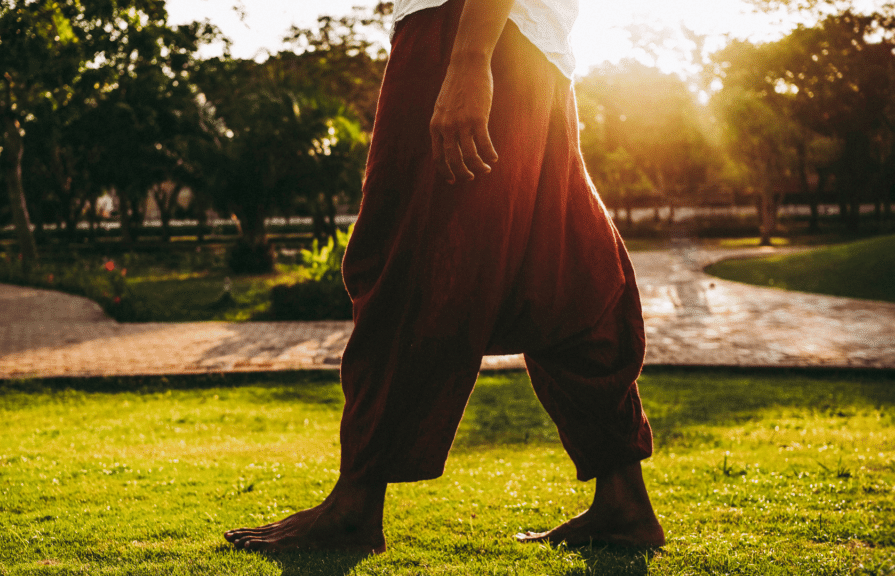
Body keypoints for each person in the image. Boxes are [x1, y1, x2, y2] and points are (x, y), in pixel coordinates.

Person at [225, 0, 664, 553]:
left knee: (409, 258)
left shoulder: (465, 50)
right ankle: (623, 499)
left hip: (465, 30)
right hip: (538, 56)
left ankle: (356, 504)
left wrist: (468, 60)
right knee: (569, 276)